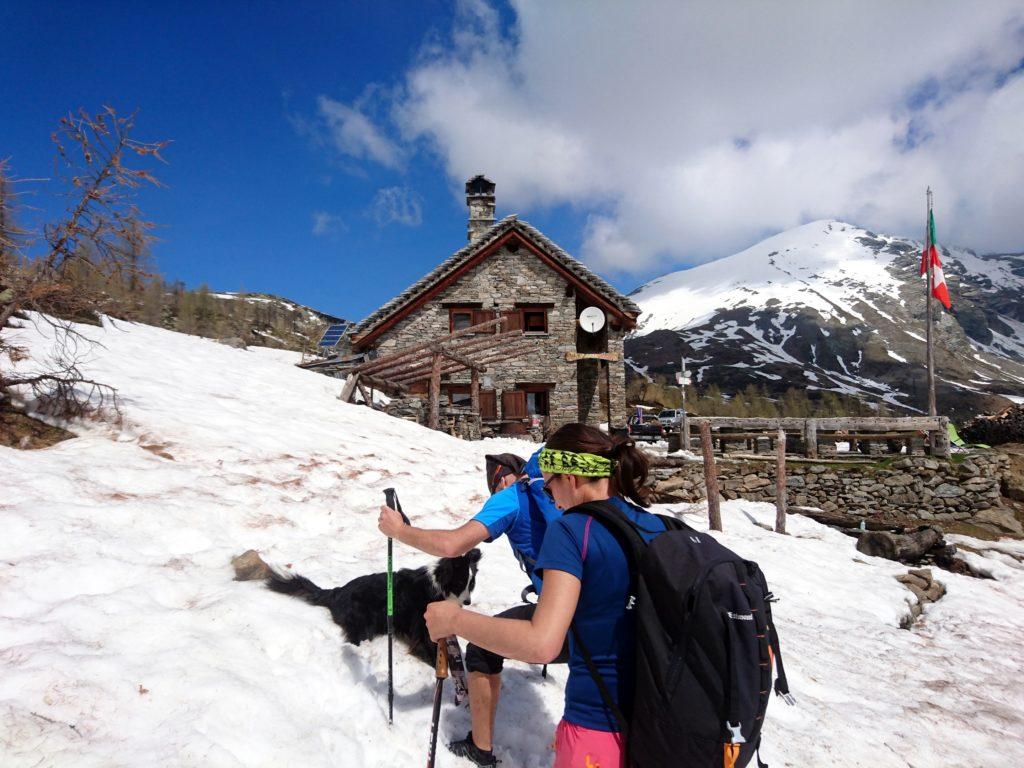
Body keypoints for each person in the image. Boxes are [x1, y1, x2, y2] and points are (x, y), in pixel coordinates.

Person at [424, 424, 666, 768]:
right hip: (663, 718)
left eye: (549, 482)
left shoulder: (570, 530)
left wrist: (454, 619)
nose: (548, 495)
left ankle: (481, 747)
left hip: (597, 726)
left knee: (481, 649)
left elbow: (542, 643)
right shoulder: (655, 526)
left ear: (570, 477)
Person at [377, 451, 565, 767]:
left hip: (561, 622)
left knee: (480, 650)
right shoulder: (565, 491)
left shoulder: (512, 496)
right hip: (610, 614)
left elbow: (453, 545)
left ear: (501, 478)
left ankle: (480, 749)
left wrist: (400, 531)